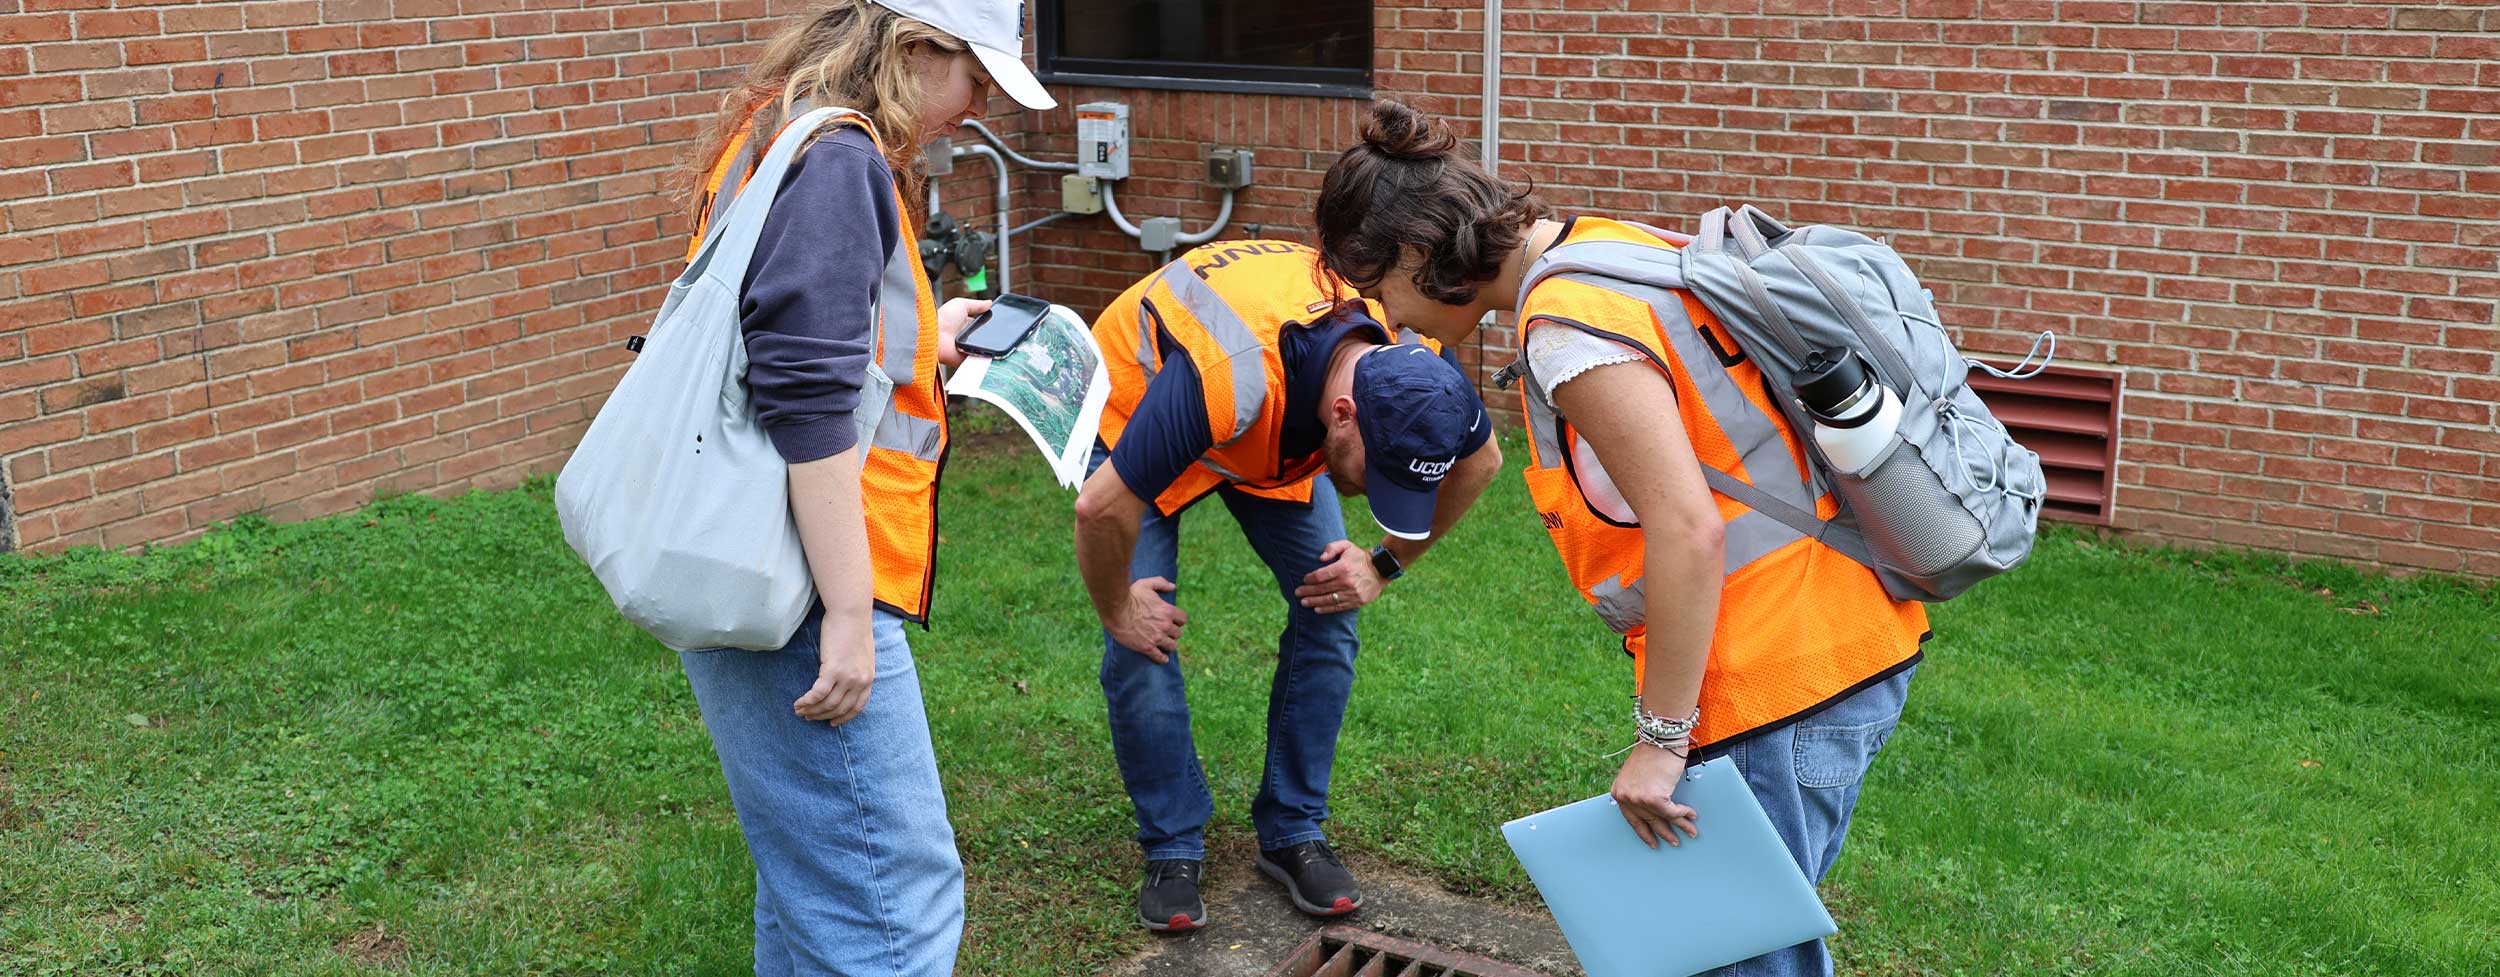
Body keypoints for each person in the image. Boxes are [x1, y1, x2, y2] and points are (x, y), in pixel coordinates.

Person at [1312, 101, 1928, 977]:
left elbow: (1687, 527)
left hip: (1777, 674)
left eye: (1382, 291)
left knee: (1745, 957)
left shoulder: (1566, 325)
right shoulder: (1604, 246)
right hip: (1829, 638)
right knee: (1739, 946)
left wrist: (1662, 737)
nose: (1394, 321)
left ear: (1417, 254)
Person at [670, 2, 1054, 974]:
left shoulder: (774, 125)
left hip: (744, 556)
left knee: (812, 892)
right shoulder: (840, 162)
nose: (976, 113)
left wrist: (930, 333)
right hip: (805, 579)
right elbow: (807, 401)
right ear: (917, 49)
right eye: (976, 80)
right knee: (893, 908)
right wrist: (848, 612)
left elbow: (788, 337)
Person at [1071, 240, 1502, 931]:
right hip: (1139, 409)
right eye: (1373, 473)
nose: (1368, 493)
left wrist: (1384, 563)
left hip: (1268, 434)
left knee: (1331, 605)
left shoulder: (1415, 366)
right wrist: (1119, 608)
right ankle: (1173, 844)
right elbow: (1099, 507)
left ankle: (1292, 827)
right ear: (1343, 415)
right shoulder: (1230, 375)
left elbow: (1483, 461)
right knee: (1142, 638)